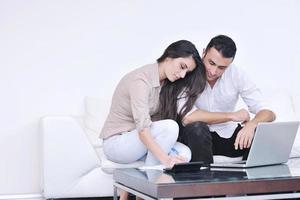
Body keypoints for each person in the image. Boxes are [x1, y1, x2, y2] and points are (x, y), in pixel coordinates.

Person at [100, 40, 206, 200]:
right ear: (170, 56)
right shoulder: (141, 80)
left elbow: (154, 130)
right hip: (118, 144)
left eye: (187, 72)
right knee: (170, 128)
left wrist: (167, 158)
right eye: (182, 66)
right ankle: (149, 194)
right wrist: (165, 159)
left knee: (184, 153)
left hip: (139, 146)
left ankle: (142, 193)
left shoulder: (165, 84)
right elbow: (143, 130)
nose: (182, 75)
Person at [177, 35, 276, 164]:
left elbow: (268, 112)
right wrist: (232, 116)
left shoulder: (237, 74)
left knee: (261, 131)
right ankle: (204, 181)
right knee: (197, 127)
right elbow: (188, 117)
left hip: (227, 136)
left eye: (222, 68)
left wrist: (252, 124)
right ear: (203, 53)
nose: (213, 71)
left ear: (230, 64)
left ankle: (250, 181)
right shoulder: (187, 72)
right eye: (211, 63)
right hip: (196, 137)